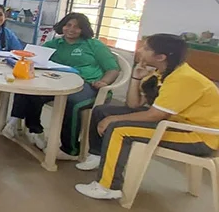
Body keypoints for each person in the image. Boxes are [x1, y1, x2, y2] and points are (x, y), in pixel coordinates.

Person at [75, 34, 219, 200]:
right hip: (172, 123)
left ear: (160, 57)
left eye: (146, 48)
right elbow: (133, 104)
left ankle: (108, 187)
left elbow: (155, 115)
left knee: (119, 129)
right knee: (102, 111)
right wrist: (136, 77)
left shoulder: (184, 79)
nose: (140, 50)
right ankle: (98, 156)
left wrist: (113, 120)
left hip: (199, 137)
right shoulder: (161, 73)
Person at [1, 13, 120, 157]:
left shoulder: (94, 45)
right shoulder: (54, 44)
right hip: (59, 83)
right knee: (32, 91)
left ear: (83, 29)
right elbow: (35, 59)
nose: (71, 29)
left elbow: (113, 69)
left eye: (77, 27)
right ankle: (35, 130)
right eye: (68, 25)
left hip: (90, 85)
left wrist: (104, 82)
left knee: (71, 102)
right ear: (62, 26)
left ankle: (70, 150)